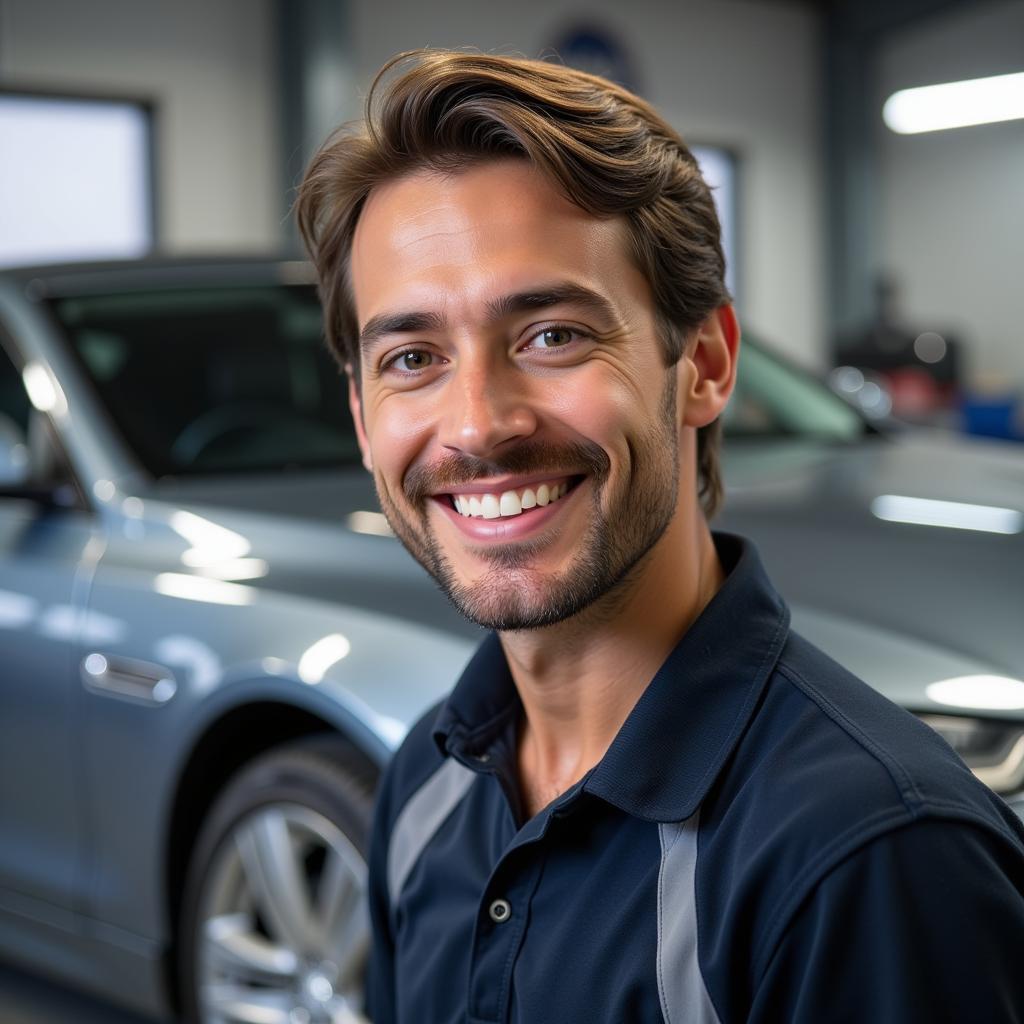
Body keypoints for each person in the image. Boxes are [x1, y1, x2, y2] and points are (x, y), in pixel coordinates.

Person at [298, 50, 1024, 1024]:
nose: (475, 424)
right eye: (413, 357)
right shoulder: (427, 789)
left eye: (550, 334)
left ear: (706, 363)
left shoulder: (869, 856)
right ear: (360, 413)